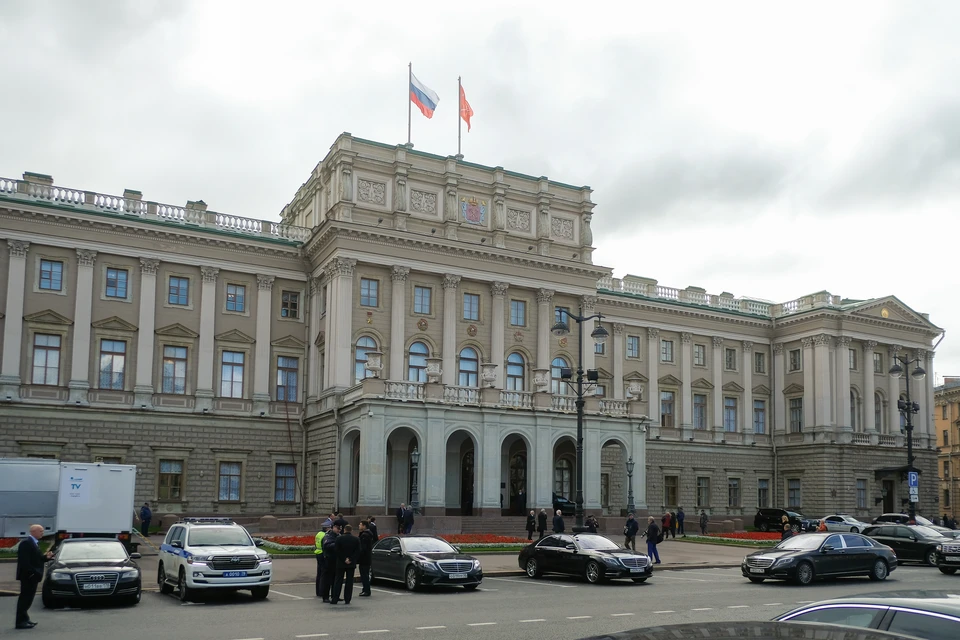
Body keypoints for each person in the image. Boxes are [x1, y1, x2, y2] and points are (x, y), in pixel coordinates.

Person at [17, 524, 52, 630]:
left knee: (29, 599)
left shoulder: (34, 543)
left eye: (42, 531)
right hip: (28, 577)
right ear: (33, 531)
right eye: (40, 531)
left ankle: (25, 619)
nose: (42, 533)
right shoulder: (26, 543)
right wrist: (32, 573)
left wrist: (46, 557)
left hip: (33, 576)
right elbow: (24, 562)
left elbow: (37, 559)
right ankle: (20, 622)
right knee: (25, 599)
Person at [331, 524, 361, 605]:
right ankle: (347, 599)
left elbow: (337, 550)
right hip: (351, 564)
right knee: (349, 581)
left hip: (341, 562)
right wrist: (350, 559)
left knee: (338, 581)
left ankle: (335, 598)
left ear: (344, 530)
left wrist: (344, 559)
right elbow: (358, 551)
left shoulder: (339, 538)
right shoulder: (356, 539)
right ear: (351, 531)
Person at [318, 521, 341, 602]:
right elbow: (327, 546)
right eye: (338, 528)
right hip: (328, 560)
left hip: (336, 560)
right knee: (327, 580)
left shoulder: (338, 536)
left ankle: (335, 596)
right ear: (333, 527)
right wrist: (337, 544)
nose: (339, 530)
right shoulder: (328, 536)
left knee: (335, 579)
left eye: (340, 528)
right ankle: (325, 596)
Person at [357, 520, 376, 597]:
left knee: (364, 574)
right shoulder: (366, 534)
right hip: (366, 558)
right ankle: (365, 589)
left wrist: (358, 555)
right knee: (365, 574)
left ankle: (366, 590)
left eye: (360, 524)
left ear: (364, 526)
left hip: (364, 558)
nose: (359, 526)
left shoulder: (365, 535)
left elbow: (363, 548)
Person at [314, 520, 330, 598]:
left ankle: (318, 591)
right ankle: (322, 591)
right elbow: (325, 545)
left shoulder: (319, 533)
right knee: (324, 573)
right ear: (327, 528)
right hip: (322, 554)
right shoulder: (325, 535)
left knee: (319, 573)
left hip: (317, 553)